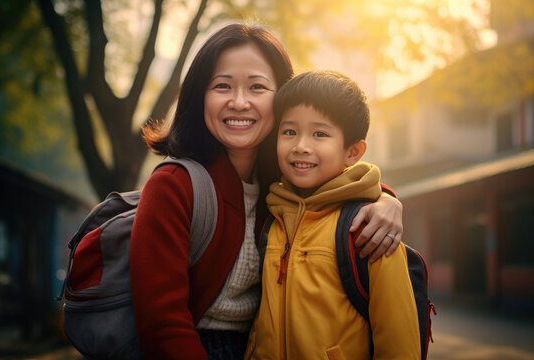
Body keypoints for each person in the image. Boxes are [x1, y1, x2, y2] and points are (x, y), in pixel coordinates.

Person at [130, 24, 404, 360]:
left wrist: (384, 200)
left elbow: (335, 186)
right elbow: (161, 324)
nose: (240, 102)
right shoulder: (173, 186)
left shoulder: (282, 184)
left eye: (257, 87)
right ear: (201, 96)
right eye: (222, 86)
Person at [245, 70, 420, 360]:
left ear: (353, 152)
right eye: (289, 131)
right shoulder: (270, 218)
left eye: (320, 134)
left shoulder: (371, 230)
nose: (301, 145)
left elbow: (399, 346)